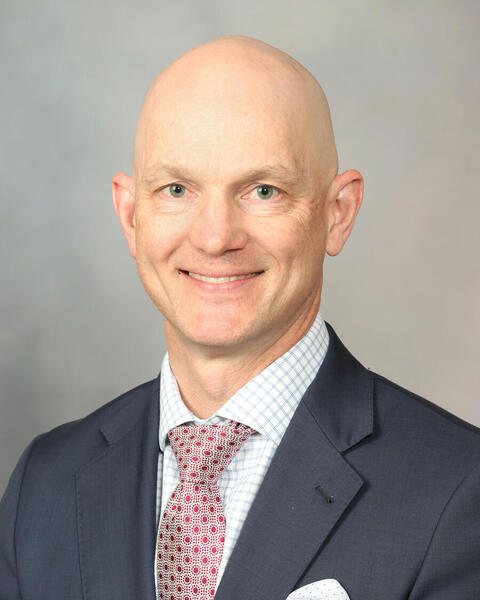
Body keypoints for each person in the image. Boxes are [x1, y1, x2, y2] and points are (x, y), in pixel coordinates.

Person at [1, 35, 479, 600]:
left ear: (338, 213)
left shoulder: (458, 492)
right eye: (177, 189)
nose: (215, 237)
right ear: (131, 216)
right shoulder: (44, 484)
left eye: (263, 191)